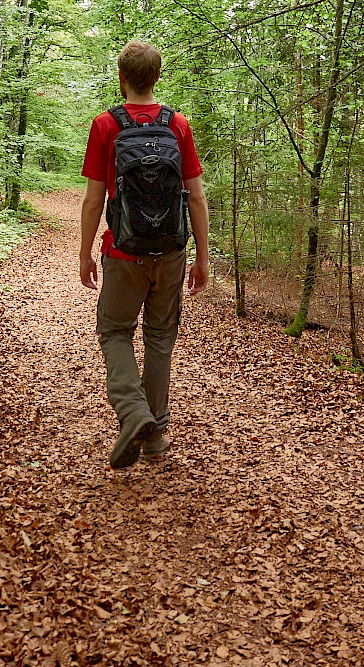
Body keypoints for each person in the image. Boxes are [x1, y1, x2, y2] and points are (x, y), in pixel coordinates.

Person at [79, 40, 210, 469]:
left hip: (123, 251)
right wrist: (202, 258)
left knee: (115, 332)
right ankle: (155, 434)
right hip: (171, 251)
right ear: (157, 77)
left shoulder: (105, 125)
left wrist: (85, 253)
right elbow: (195, 199)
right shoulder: (179, 125)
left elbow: (94, 200)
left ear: (122, 78)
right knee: (159, 337)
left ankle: (135, 415)